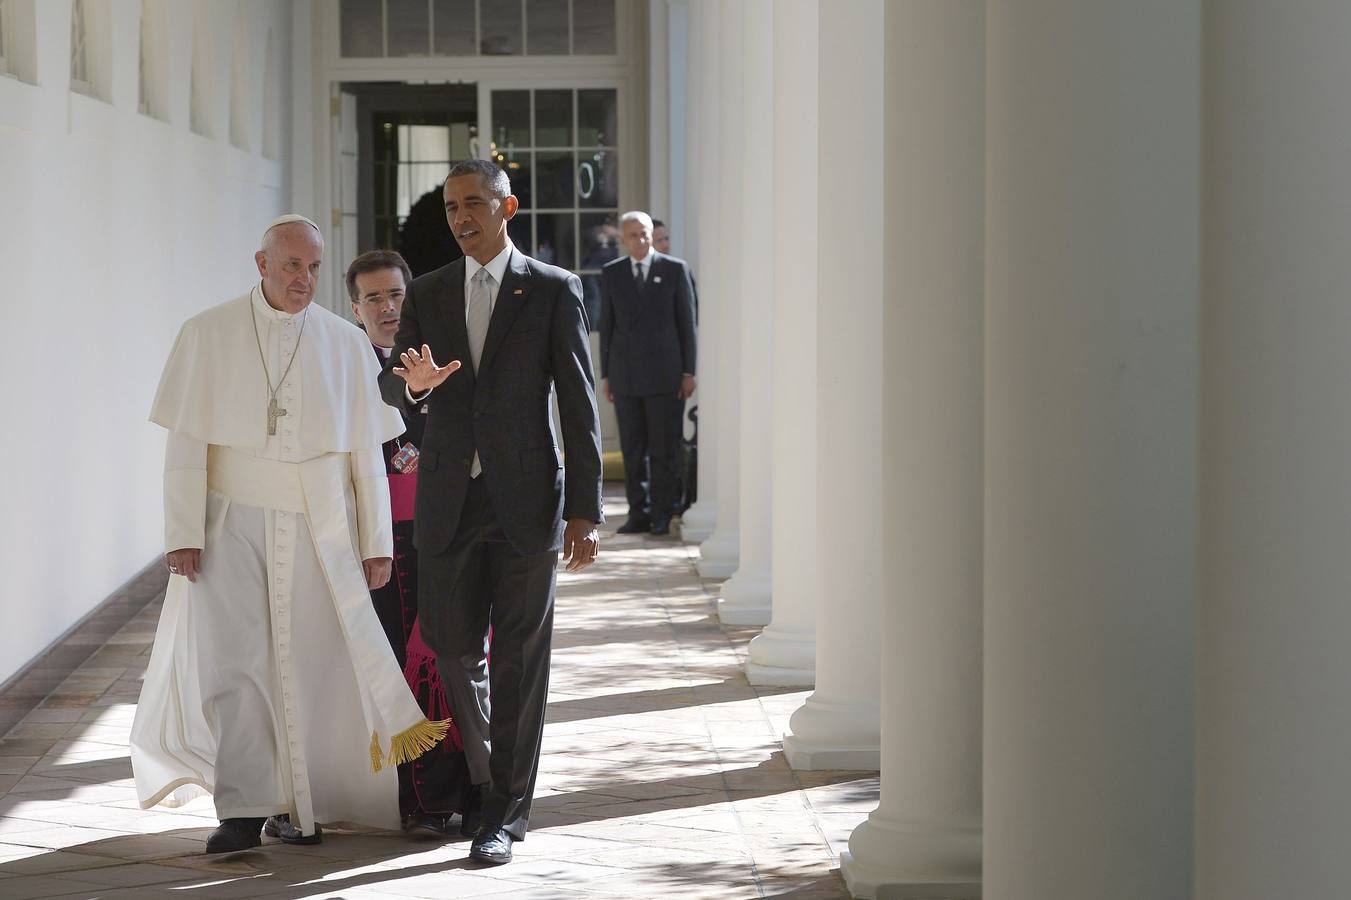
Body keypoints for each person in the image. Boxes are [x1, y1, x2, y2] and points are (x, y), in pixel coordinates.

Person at [131, 215, 449, 854]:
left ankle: (312, 805)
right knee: (234, 664)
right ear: (262, 264)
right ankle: (243, 810)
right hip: (232, 518)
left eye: (312, 267)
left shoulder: (343, 341)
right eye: (291, 266)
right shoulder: (207, 332)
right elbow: (188, 441)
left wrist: (376, 542)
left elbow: (364, 451)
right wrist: (182, 530)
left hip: (319, 523)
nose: (303, 279)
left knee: (313, 664)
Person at [378, 159, 603, 866]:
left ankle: (504, 813)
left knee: (518, 663)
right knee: (451, 649)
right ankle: (486, 775)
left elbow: (577, 403)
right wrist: (411, 389)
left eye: (473, 203)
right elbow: (399, 386)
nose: (460, 217)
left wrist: (585, 512)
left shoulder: (552, 290)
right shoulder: (431, 290)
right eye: (450, 207)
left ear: (508, 208)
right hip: (448, 501)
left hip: (526, 504)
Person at [346, 249, 476, 837]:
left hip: (448, 533)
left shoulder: (442, 353)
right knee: (400, 668)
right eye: (373, 298)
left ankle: (472, 793)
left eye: (396, 294)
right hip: (380, 542)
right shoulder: (341, 366)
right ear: (356, 308)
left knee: (456, 662)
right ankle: (418, 802)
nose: (388, 307)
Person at [599, 211, 698, 535]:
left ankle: (661, 513)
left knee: (664, 449)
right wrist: (607, 376)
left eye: (644, 233)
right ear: (623, 239)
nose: (640, 240)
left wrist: (688, 371)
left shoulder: (674, 270)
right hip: (626, 375)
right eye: (633, 235)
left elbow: (688, 325)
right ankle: (637, 512)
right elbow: (608, 325)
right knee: (632, 449)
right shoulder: (612, 273)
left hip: (665, 375)